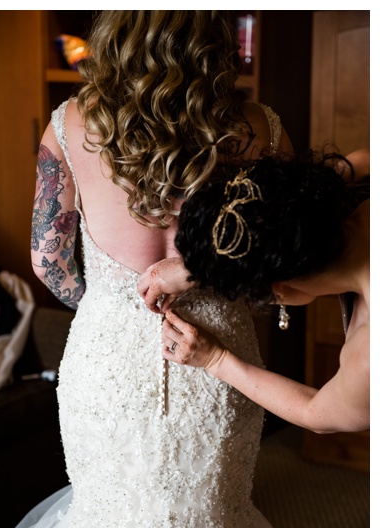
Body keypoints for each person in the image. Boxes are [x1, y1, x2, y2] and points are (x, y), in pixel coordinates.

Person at [0, 10, 313, 528]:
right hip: (219, 354)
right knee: (216, 518)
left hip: (106, 357)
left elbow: (47, 261)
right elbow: (287, 259)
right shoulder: (260, 128)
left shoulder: (68, 123)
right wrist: (225, 287)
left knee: (108, 522)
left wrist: (112, 303)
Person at [139, 151, 369, 433]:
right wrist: (203, 265)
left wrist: (216, 359)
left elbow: (318, 413)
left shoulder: (368, 356)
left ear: (278, 290)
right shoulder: (363, 174)